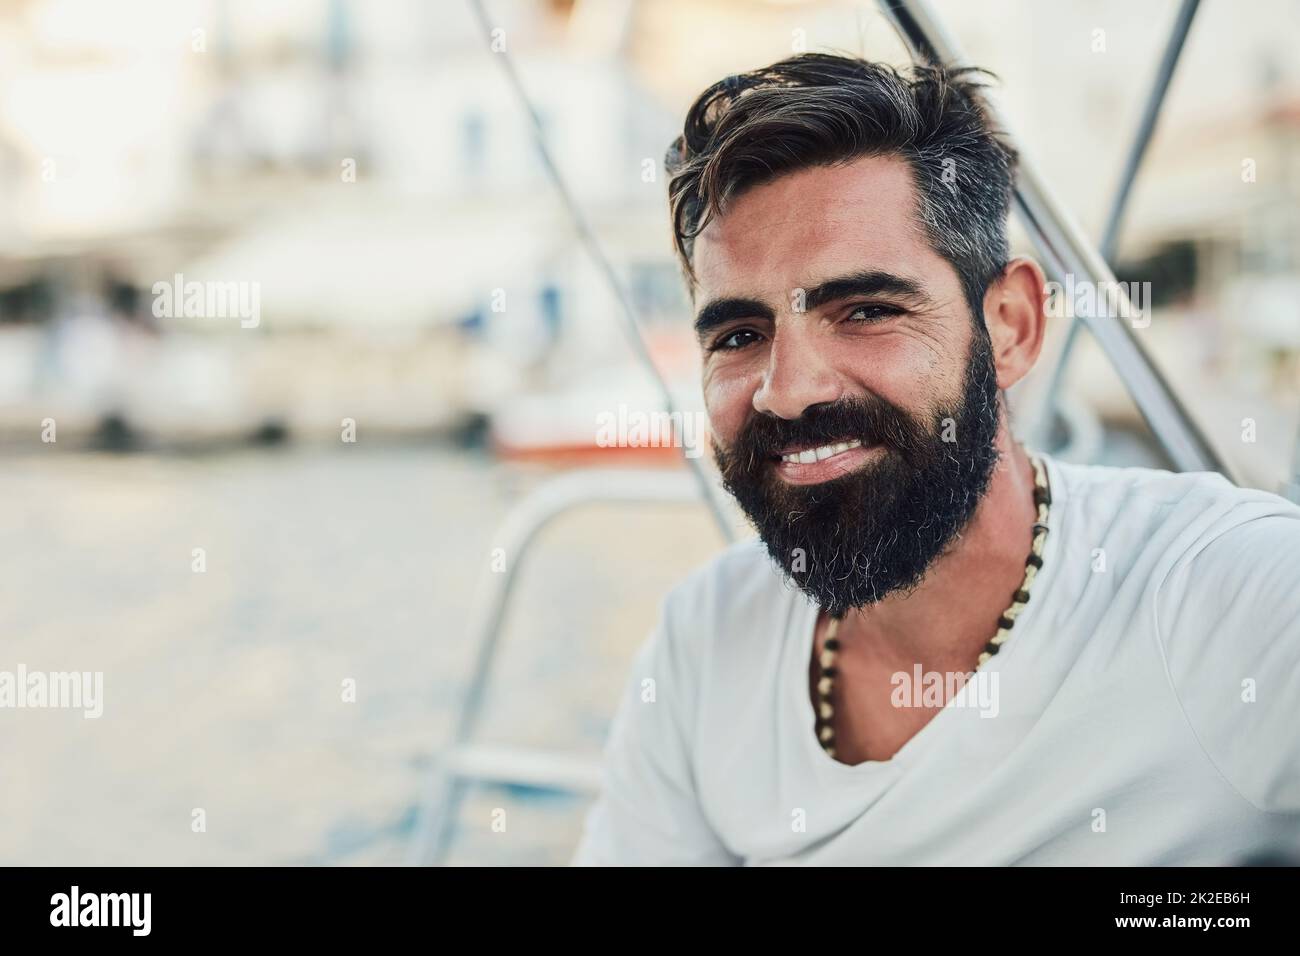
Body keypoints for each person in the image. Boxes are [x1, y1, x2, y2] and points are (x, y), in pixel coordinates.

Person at [571, 53, 1300, 865]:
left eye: (868, 310)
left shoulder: (1231, 596)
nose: (788, 391)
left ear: (1012, 326)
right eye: (740, 335)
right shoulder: (704, 640)